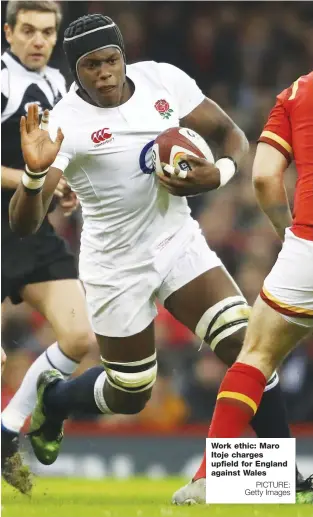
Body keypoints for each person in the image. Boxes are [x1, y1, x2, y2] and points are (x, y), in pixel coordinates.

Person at [9, 13, 307, 497]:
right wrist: (35, 176)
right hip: (115, 265)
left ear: (124, 55)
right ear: (76, 71)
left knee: (250, 346)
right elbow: (23, 224)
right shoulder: (64, 122)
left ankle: (283, 477)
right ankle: (57, 399)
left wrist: (221, 172)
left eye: (111, 60)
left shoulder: (162, 79)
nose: (104, 72)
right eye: (90, 66)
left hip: (177, 241)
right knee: (132, 392)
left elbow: (231, 135)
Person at [173, 72, 313, 504]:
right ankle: (273, 478)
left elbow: (265, 178)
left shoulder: (295, 93)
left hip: (308, 244)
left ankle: (207, 478)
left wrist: (288, 233)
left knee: (255, 354)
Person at [1, 1, 95, 492]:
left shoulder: (62, 86)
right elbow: (26, 171)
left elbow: (60, 160)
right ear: (8, 32)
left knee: (80, 338)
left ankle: (5, 434)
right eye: (29, 31)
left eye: (48, 32)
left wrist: (62, 186)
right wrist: (29, 178)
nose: (39, 41)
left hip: (31, 231)